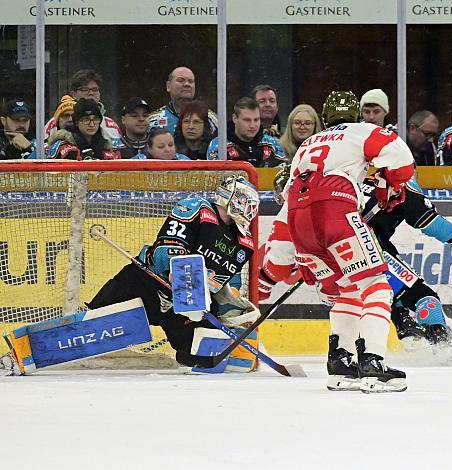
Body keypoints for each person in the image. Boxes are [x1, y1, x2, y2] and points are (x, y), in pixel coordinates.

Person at [261, 166, 452, 365]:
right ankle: (441, 342)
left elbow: (284, 259)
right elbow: (428, 221)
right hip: (364, 246)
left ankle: (404, 331)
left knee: (371, 296)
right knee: (420, 295)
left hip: (331, 259)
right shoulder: (385, 182)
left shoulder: (312, 201)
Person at [282, 90, 415, 393]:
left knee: (348, 289)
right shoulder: (362, 131)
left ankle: (340, 366)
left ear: (325, 118)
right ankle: (373, 363)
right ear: (356, 115)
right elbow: (403, 160)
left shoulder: (307, 143)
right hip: (334, 209)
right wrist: (390, 185)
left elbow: (288, 195)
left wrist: (302, 253)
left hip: (298, 219)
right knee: (377, 285)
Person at [88, 175, 260, 368]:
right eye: (247, 201)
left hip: (187, 308)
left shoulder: (244, 243)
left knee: (206, 355)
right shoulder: (197, 208)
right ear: (231, 197)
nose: (251, 209)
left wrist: (230, 304)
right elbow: (166, 250)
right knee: (94, 324)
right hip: (148, 283)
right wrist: (187, 283)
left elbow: (228, 283)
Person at [43, 69, 124, 149]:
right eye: (85, 90)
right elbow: (43, 153)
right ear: (73, 94)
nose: (91, 93)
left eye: (95, 89)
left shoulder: (111, 125)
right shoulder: (54, 123)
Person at [207, 97, 284, 167]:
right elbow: (216, 177)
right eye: (247, 120)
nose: (252, 125)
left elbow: (282, 174)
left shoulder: (271, 143)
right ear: (235, 118)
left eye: (256, 120)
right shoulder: (219, 145)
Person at [149, 66, 218, 135]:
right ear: (168, 86)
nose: (187, 84)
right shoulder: (152, 121)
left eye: (191, 81)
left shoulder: (210, 119)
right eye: (181, 80)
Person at [47, 98, 121, 160]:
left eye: (95, 119)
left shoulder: (109, 147)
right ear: (76, 122)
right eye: (86, 120)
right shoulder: (62, 147)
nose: (92, 124)